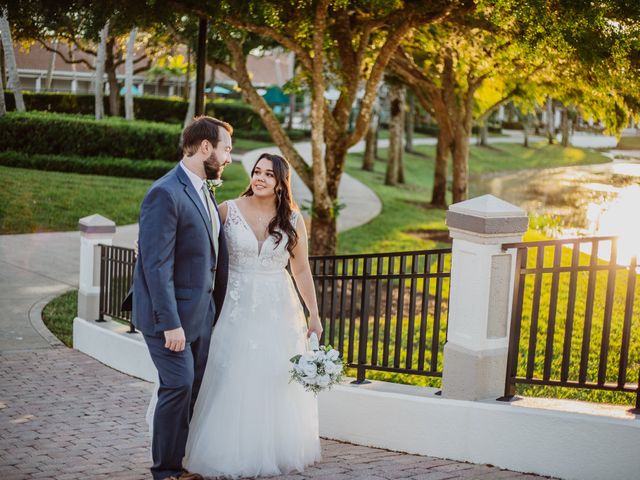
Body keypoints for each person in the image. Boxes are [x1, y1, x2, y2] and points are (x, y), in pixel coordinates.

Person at [182, 152, 323, 477]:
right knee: (229, 372)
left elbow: (300, 269)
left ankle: (268, 447)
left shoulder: (293, 219)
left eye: (268, 175)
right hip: (233, 304)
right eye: (256, 172)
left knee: (272, 375)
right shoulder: (228, 210)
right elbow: (197, 245)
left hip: (278, 306)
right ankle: (220, 449)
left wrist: (313, 313)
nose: (259, 178)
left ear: (280, 183)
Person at [132, 116, 232, 480]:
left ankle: (180, 463)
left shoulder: (205, 189)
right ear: (206, 147)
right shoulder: (165, 191)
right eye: (226, 149)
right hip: (169, 317)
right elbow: (155, 267)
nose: (229, 158)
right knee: (177, 385)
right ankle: (166, 472)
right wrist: (170, 322)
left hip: (202, 313)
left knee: (192, 389)